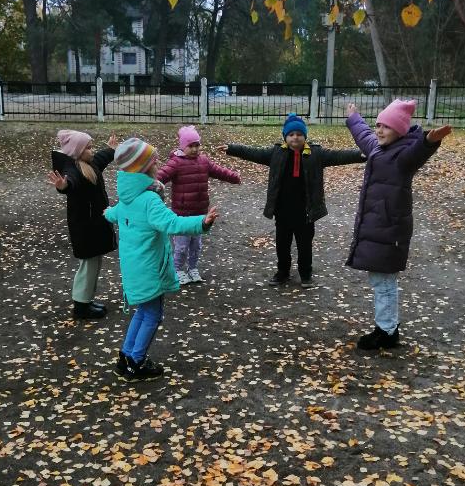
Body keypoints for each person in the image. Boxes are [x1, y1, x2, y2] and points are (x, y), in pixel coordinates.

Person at [104, 137, 218, 380]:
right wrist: (201, 222)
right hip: (150, 267)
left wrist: (106, 212)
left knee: (142, 311)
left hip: (134, 266)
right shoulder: (148, 199)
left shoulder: (128, 197)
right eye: (154, 162)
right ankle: (137, 361)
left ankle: (126, 356)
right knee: (152, 314)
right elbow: (172, 222)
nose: (158, 165)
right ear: (143, 168)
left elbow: (113, 214)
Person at [345, 99, 452, 349]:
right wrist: (353, 118)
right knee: (380, 280)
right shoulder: (379, 149)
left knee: (384, 283)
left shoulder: (403, 157)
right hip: (378, 228)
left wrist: (429, 142)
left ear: (400, 131)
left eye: (386, 127)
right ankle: (386, 327)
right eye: (378, 125)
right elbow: (363, 136)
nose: (380, 130)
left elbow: (417, 153)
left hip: (389, 230)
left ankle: (387, 331)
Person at [220, 113, 365, 286]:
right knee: (282, 244)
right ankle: (283, 272)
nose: (295, 138)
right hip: (282, 211)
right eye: (291, 135)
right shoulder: (276, 153)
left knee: (305, 245)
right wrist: (231, 148)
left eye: (299, 134)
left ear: (305, 136)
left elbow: (339, 156)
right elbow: (253, 152)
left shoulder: (316, 153)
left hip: (306, 211)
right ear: (285, 137)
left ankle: (305, 274)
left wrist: (361, 154)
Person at [47, 129, 118, 320]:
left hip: (93, 226)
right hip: (85, 228)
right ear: (78, 151)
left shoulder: (88, 164)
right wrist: (64, 186)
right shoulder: (73, 169)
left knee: (93, 263)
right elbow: (72, 182)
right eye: (88, 148)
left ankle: (86, 299)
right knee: (88, 265)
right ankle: (81, 306)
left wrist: (110, 150)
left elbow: (101, 159)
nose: (92, 151)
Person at [157, 124, 240, 285]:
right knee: (181, 246)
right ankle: (178, 270)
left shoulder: (204, 161)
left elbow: (219, 171)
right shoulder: (176, 163)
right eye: (191, 146)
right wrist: (148, 183)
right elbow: (162, 175)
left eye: (197, 145)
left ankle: (193, 268)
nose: (195, 149)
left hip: (200, 213)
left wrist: (234, 177)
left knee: (196, 244)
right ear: (183, 146)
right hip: (181, 214)